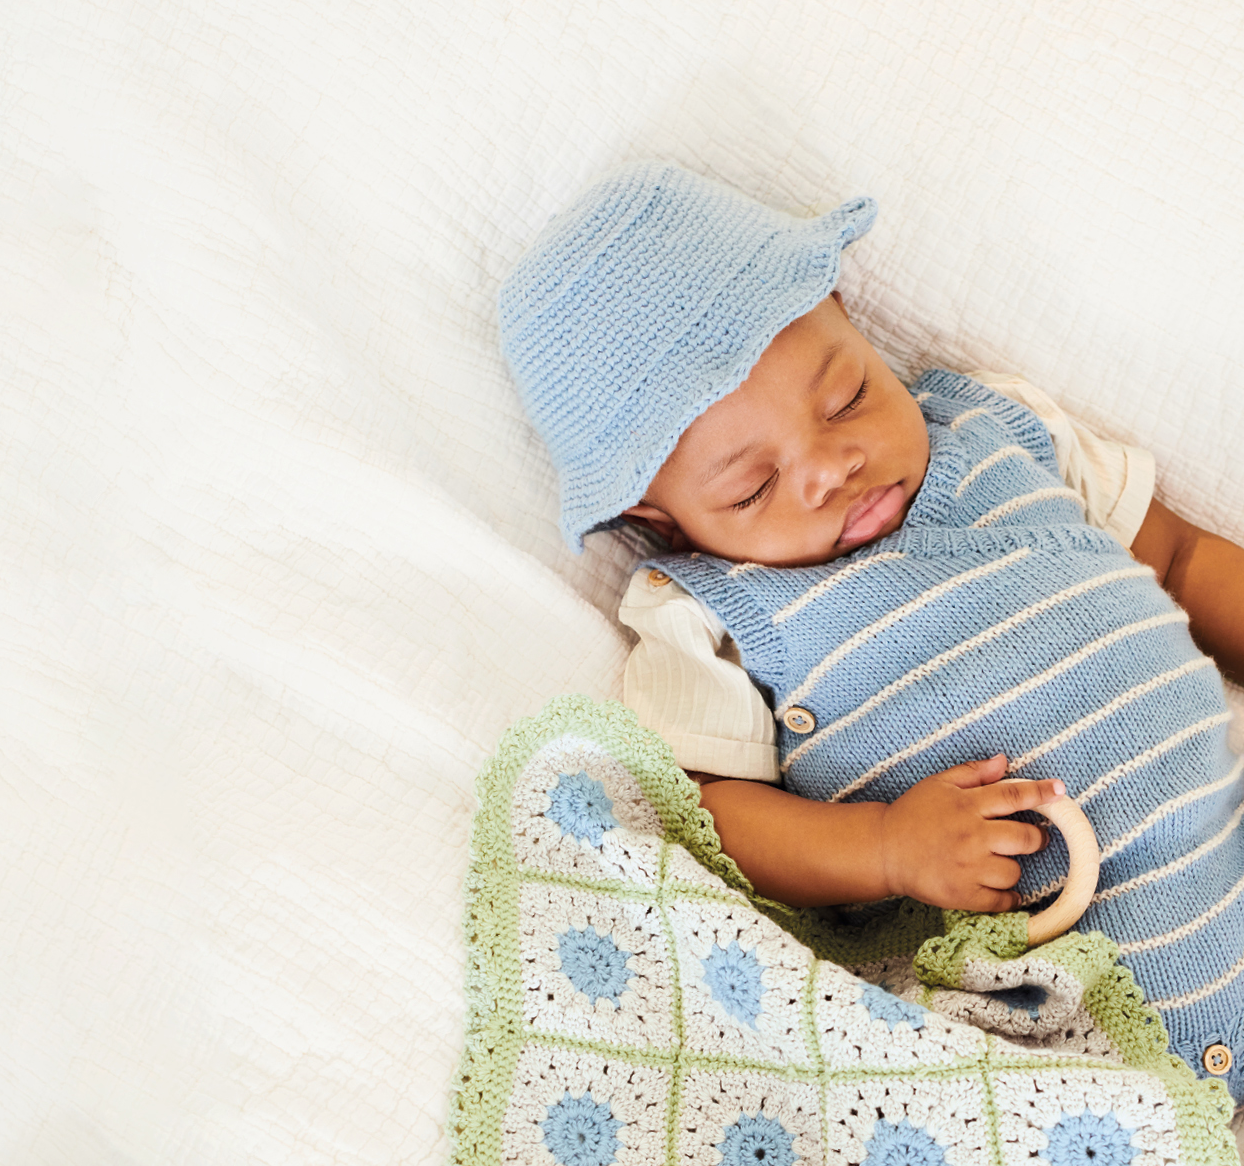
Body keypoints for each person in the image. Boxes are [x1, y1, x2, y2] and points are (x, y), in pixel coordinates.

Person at [499, 159, 1244, 1092]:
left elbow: (1179, 558)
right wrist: (886, 845)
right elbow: (711, 818)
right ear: (659, 520)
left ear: (846, 314)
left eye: (846, 396)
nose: (831, 467)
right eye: (753, 487)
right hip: (1063, 1037)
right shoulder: (703, 617)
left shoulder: (1001, 428)